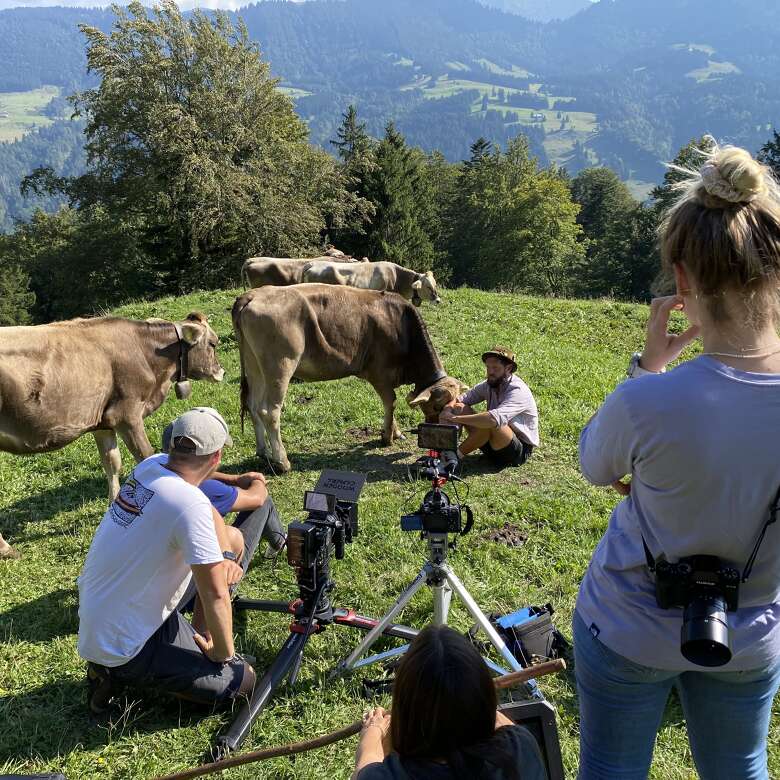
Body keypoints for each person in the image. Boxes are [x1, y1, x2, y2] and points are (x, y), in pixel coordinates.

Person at [575, 142, 780, 779]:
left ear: (684, 280)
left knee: (611, 768)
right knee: (740, 768)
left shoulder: (649, 402)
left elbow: (593, 466)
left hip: (628, 623)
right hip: (750, 632)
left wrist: (650, 367)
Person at [78, 407, 265, 713]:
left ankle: (117, 667)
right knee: (241, 683)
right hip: (128, 646)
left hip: (99, 625)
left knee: (213, 564)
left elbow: (206, 509)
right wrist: (223, 652)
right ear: (216, 457)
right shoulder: (187, 504)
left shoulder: (150, 466)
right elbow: (216, 592)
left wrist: (225, 554)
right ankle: (124, 676)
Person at [351, 625, 548, 780]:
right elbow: (495, 720)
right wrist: (470, 692)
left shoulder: (392, 776)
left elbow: (364, 769)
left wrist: (372, 731)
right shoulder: (520, 747)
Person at [161, 422, 286, 564]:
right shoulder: (208, 489)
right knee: (264, 503)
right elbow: (257, 498)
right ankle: (281, 543)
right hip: (204, 574)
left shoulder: (151, 470)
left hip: (163, 561)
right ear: (214, 456)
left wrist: (234, 479)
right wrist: (257, 480)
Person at [439, 347, 539, 468]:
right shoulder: (489, 384)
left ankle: (453, 457)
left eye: (495, 368)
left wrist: (455, 418)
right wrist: (448, 409)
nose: (490, 372)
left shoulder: (518, 390)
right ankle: (445, 451)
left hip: (516, 452)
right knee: (459, 407)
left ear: (508, 368)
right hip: (492, 444)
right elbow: (460, 399)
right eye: (488, 367)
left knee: (490, 421)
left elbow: (493, 419)